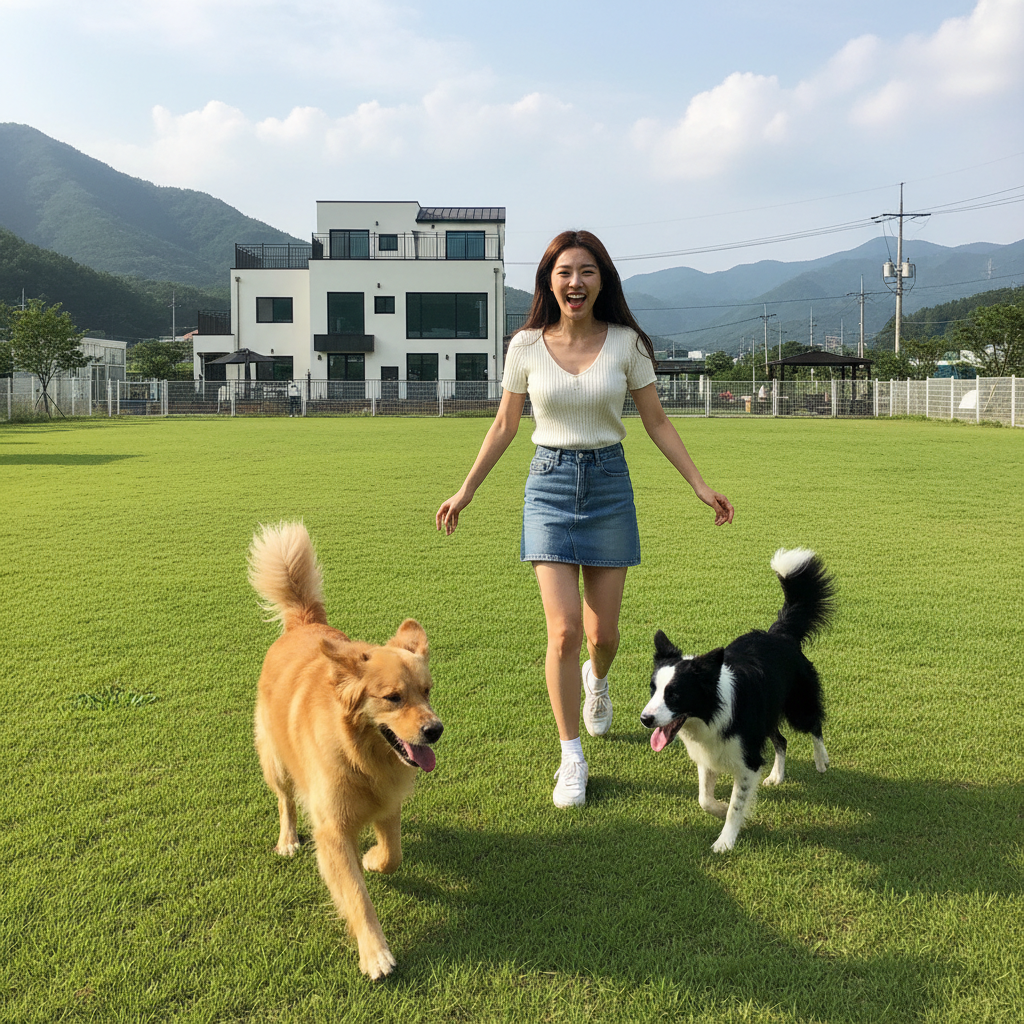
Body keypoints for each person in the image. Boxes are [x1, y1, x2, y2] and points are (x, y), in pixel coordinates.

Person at [436, 230, 734, 808]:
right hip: (547, 486)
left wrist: (700, 485)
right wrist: (466, 490)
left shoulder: (627, 344)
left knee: (603, 636)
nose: (576, 282)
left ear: (602, 281)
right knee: (565, 630)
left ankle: (597, 683)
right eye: (565, 272)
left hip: (608, 485)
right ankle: (571, 756)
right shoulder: (525, 346)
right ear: (549, 281)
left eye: (587, 271)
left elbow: (656, 421)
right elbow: (504, 425)